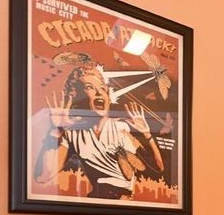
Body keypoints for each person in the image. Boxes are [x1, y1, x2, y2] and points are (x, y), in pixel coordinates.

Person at [36, 64, 163, 199]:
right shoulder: (72, 133)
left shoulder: (123, 127)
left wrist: (147, 134)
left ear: (108, 97)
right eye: (90, 87)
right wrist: (56, 131)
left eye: (102, 88)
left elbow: (158, 166)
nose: (99, 93)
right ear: (78, 96)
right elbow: (43, 176)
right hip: (98, 200)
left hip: (124, 203)